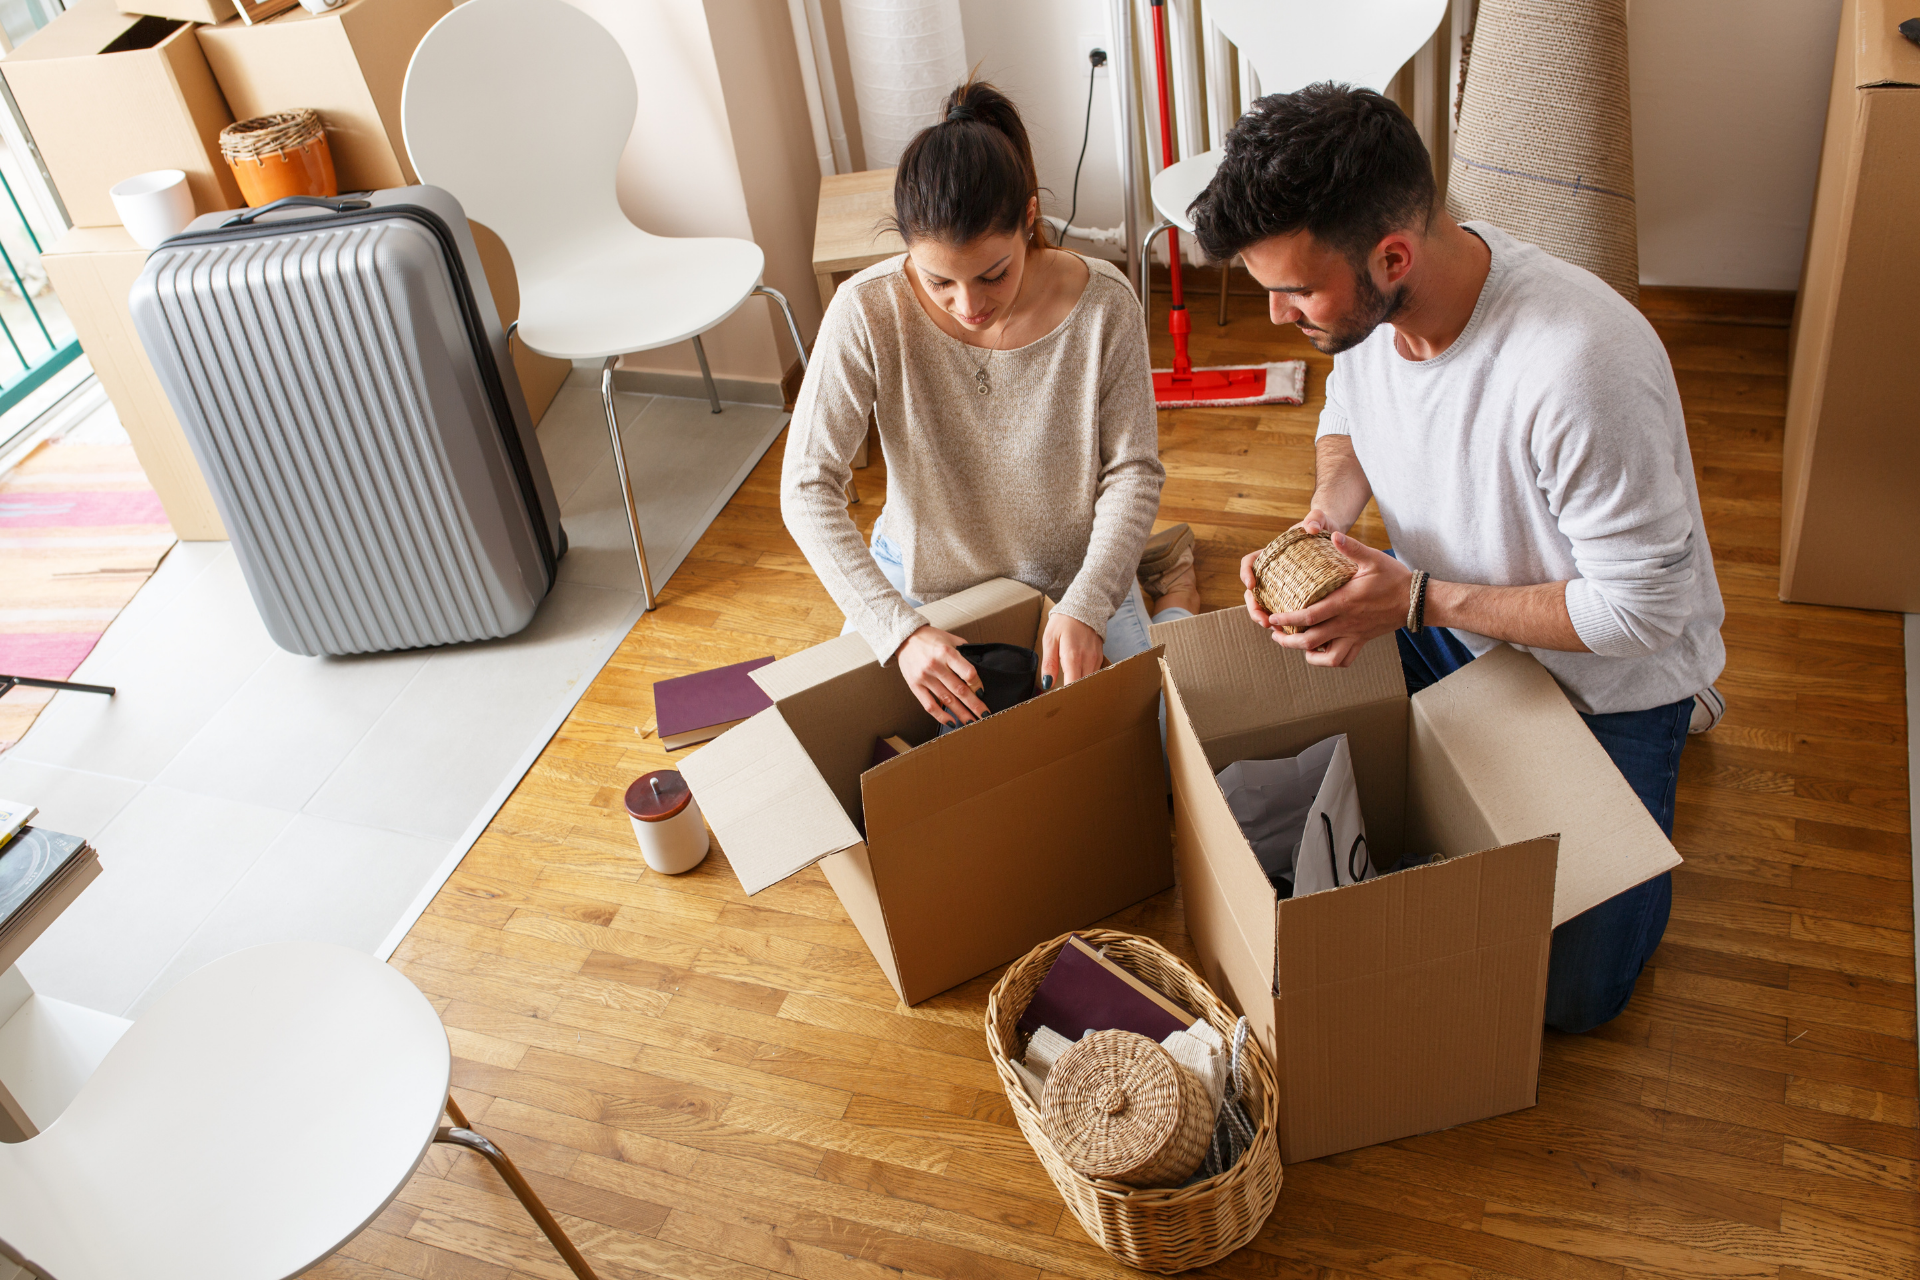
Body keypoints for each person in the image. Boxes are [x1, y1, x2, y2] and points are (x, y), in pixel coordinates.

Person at [1187, 84, 1727, 1035]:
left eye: (1294, 290)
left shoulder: (1577, 365)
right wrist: (1322, 523)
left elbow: (1644, 615)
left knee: (1571, 998)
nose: (1277, 315)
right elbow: (1347, 422)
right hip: (1443, 621)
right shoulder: (1363, 315)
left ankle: (1688, 713)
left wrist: (1420, 600)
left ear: (1392, 255)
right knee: (1247, 739)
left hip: (1601, 680)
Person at [782, 81, 1198, 729]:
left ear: (1028, 219)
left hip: (1072, 580)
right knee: (868, 763)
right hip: (922, 581)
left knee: (1155, 760)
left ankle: (1176, 591)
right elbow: (806, 488)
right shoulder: (865, 310)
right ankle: (1154, 572)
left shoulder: (1105, 302)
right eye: (938, 280)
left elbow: (1134, 473)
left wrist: (1088, 603)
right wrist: (899, 631)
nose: (969, 306)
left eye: (994, 273)